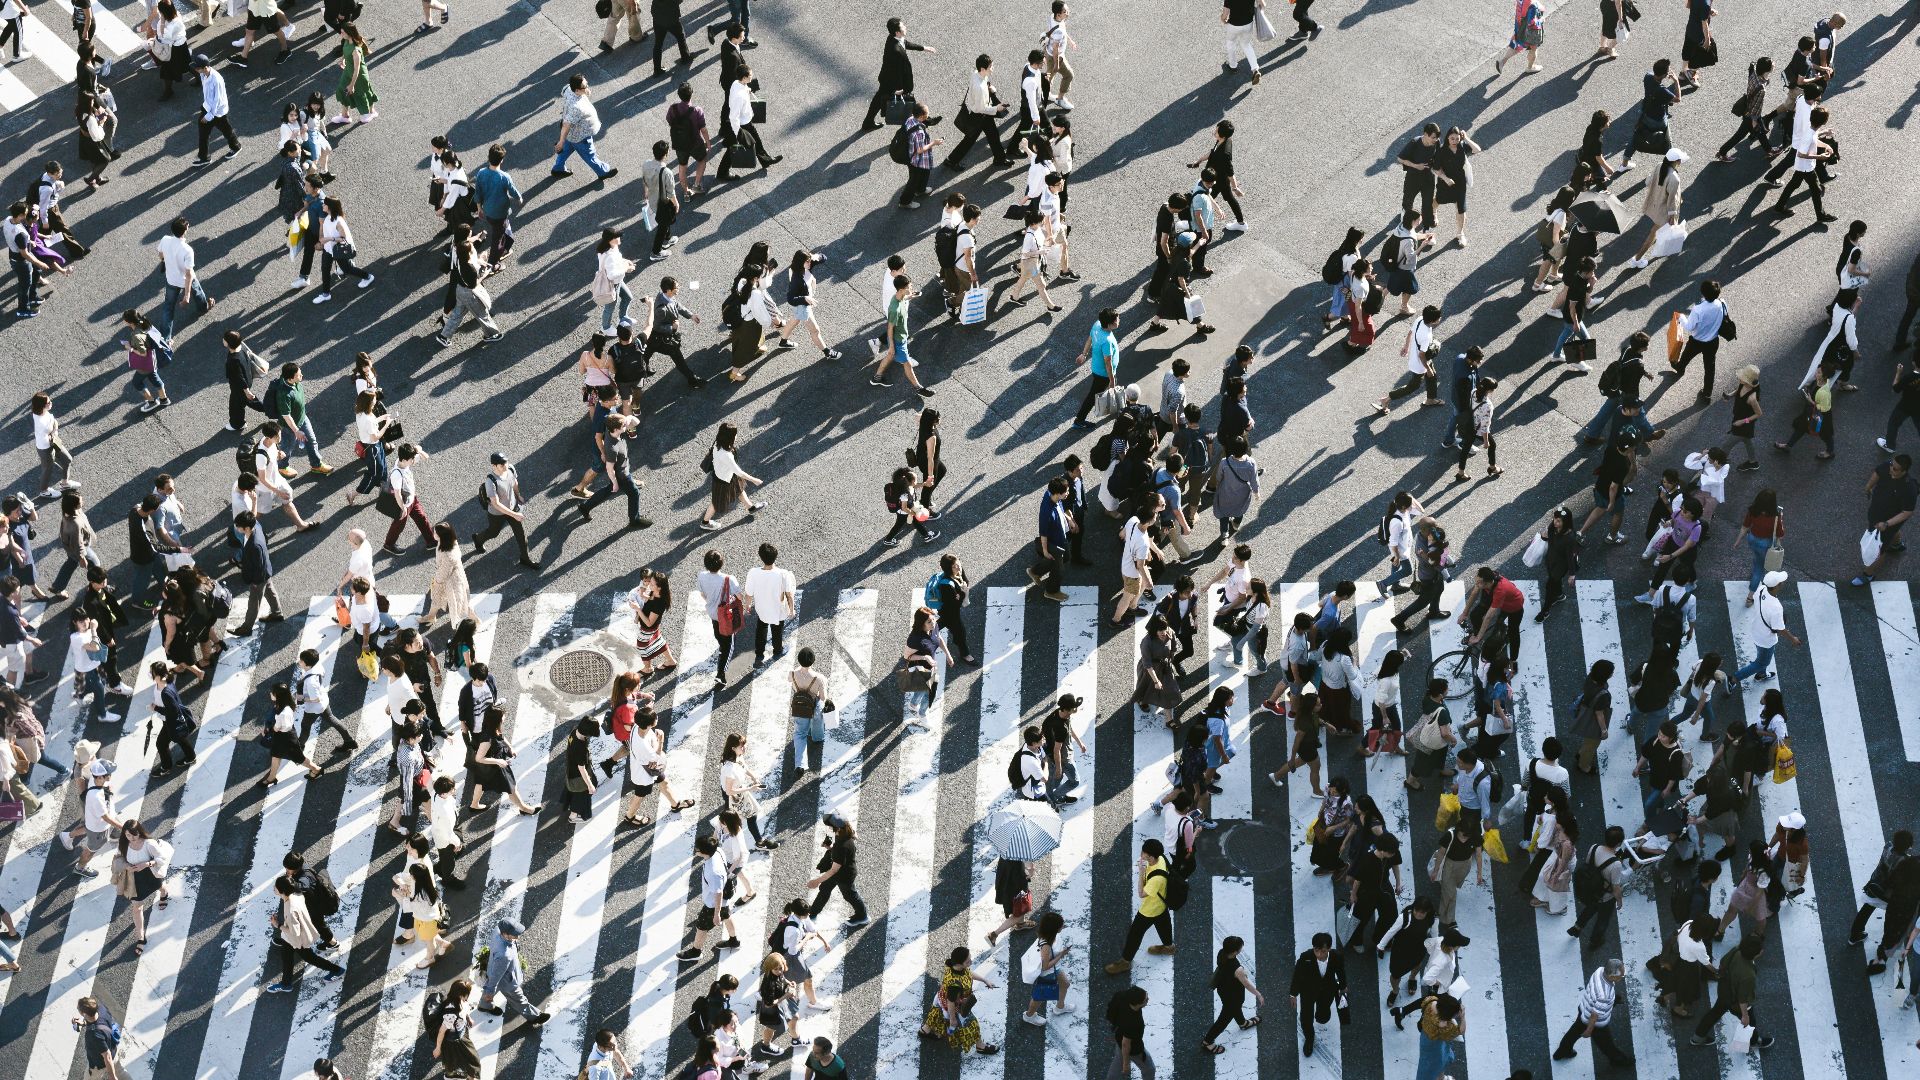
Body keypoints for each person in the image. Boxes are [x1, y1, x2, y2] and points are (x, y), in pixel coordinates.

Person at [1103, 838, 1175, 974]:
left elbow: (1141, 893)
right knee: (1163, 924)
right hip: (1161, 904)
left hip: (1150, 909)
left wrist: (1141, 872)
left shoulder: (1156, 879)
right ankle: (1169, 947)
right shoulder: (1160, 858)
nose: (1141, 855)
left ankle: (1125, 962)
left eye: (1144, 854)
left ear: (1151, 857)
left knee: (1134, 934)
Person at [1690, 933, 1773, 1049]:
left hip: (1724, 990)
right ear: (1758, 953)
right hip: (1735, 1002)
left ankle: (1698, 1037)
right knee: (1750, 1022)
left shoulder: (1736, 951)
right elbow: (1743, 998)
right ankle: (1754, 1041)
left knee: (1714, 1013)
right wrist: (1745, 1015)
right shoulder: (1748, 975)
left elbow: (1723, 962)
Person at [1552, 959, 1632, 1065]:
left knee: (1574, 1031)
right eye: (1621, 975)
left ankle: (1562, 1051)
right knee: (1606, 1044)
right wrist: (1589, 1030)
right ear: (1612, 976)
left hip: (1584, 1008)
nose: (1622, 977)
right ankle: (1618, 1060)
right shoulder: (1605, 995)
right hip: (1596, 1023)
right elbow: (1595, 1015)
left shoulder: (1600, 970)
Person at [1853, 453, 1917, 585]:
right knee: (1891, 534)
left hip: (1888, 521)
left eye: (1895, 469)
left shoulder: (1909, 488)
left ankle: (1868, 574)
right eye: (1891, 464)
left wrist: (1887, 524)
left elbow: (1907, 512)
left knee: (1878, 548)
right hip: (1876, 514)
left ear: (1904, 471)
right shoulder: (1888, 466)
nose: (1891, 469)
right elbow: (1877, 473)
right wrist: (1868, 486)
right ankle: (1896, 544)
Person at [863, 18, 936, 130]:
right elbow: (898, 72)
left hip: (886, 78)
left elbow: (905, 43)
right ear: (897, 32)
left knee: (878, 100)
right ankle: (925, 120)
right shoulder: (896, 51)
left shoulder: (893, 38)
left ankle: (867, 123)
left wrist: (923, 48)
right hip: (891, 82)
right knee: (908, 101)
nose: (905, 27)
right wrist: (898, 90)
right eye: (903, 26)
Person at [478, 918, 552, 1024]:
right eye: (514, 935)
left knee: (491, 987)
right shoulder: (504, 955)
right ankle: (535, 1017)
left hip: (493, 968)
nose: (517, 937)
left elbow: (494, 974)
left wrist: (489, 990)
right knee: (518, 998)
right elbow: (497, 975)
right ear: (505, 934)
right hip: (508, 981)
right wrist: (490, 991)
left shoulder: (497, 931)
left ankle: (484, 1005)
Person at [1732, 570, 1799, 687]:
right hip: (1766, 639)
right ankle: (1734, 679)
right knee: (1761, 663)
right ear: (1776, 586)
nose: (1783, 583)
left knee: (1762, 657)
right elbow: (1780, 629)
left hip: (1756, 629)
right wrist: (1793, 639)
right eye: (1781, 582)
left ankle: (1761, 674)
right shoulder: (1776, 607)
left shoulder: (1762, 589)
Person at [716, 62, 780, 182]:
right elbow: (734, 116)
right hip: (741, 125)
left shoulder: (737, 83)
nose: (752, 76)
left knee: (755, 140)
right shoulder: (739, 96)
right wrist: (738, 133)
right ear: (744, 78)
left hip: (745, 122)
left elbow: (742, 89)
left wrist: (748, 90)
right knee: (732, 149)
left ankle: (766, 160)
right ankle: (722, 173)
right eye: (750, 75)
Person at [806, 815, 868, 926]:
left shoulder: (841, 846)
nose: (829, 828)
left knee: (850, 895)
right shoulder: (846, 831)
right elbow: (854, 837)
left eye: (830, 826)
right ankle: (813, 913)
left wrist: (816, 881)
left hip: (844, 876)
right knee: (825, 889)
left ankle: (862, 916)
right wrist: (830, 848)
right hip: (840, 872)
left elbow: (834, 870)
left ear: (837, 828)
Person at [551, 74, 616, 180]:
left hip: (571, 135)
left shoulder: (569, 88)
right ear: (577, 90)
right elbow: (566, 125)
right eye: (585, 86)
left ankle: (558, 169)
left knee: (565, 150)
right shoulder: (576, 108)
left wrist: (586, 92)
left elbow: (563, 92)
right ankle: (603, 172)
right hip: (580, 135)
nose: (587, 87)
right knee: (589, 154)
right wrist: (561, 141)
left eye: (586, 84)